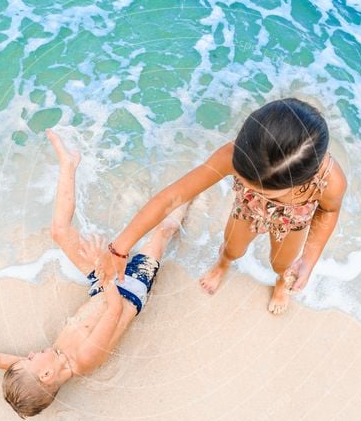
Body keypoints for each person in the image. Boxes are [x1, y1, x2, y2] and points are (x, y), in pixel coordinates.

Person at [0, 130, 188, 418]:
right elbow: (114, 311)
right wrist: (105, 268)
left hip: (101, 287)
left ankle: (68, 164)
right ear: (48, 374)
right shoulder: (84, 360)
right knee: (161, 233)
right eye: (30, 359)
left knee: (59, 232)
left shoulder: (47, 362)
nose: (30, 354)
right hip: (127, 290)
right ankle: (191, 190)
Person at [98, 97, 347, 314]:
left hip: (291, 220)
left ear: (305, 178)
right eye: (243, 179)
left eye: (265, 190)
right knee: (232, 248)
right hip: (248, 208)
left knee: (282, 263)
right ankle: (222, 264)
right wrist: (119, 249)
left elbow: (328, 211)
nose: (250, 186)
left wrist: (309, 259)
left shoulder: (328, 182)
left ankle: (281, 282)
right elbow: (172, 197)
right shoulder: (234, 154)